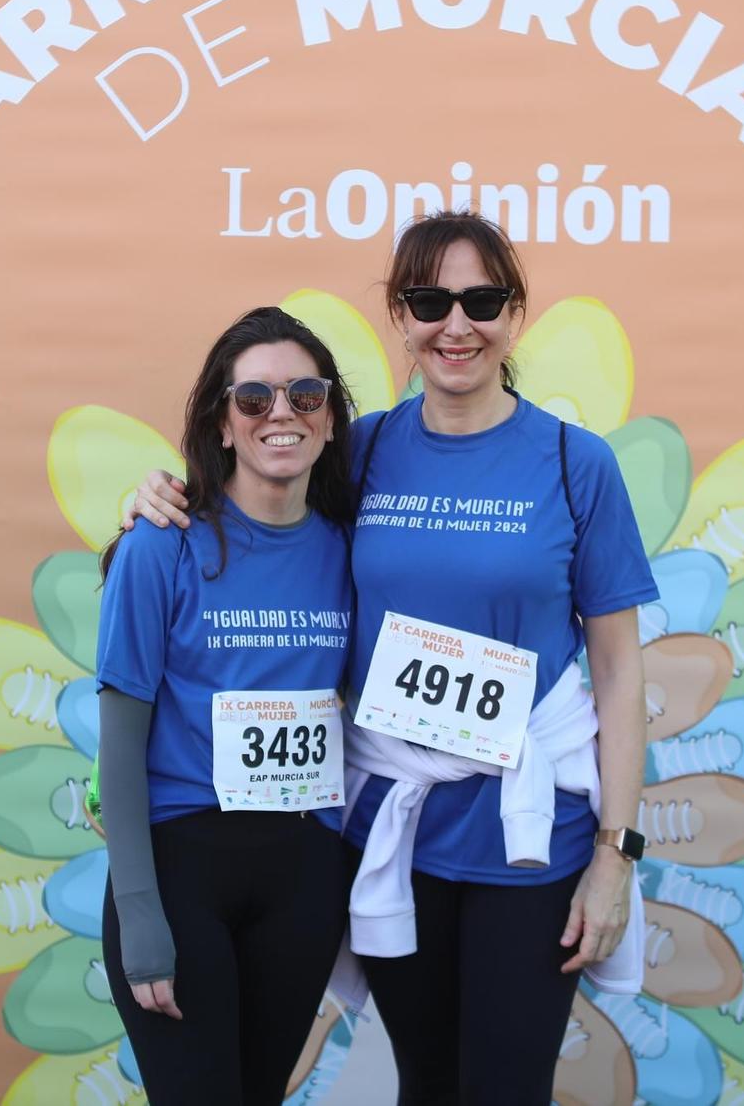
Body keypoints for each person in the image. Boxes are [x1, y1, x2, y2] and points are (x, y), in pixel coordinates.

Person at [129, 212, 658, 1106]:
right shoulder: (362, 448)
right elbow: (259, 513)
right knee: (427, 1083)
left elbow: (618, 670)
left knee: (503, 1089)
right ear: (401, 318)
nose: (457, 324)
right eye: (430, 299)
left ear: (515, 314)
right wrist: (161, 497)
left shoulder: (577, 464)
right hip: (395, 835)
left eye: (481, 299)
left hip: (530, 842)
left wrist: (617, 855)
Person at [96, 305, 359, 1106]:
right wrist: (141, 914)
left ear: (329, 418)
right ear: (221, 421)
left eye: (305, 394)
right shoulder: (160, 543)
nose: (281, 413)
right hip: (182, 875)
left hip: (304, 876)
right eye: (254, 398)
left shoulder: (355, 548)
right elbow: (118, 747)